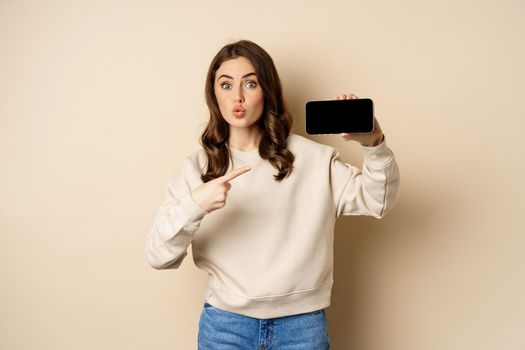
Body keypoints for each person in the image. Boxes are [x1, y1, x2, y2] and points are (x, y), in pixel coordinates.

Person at [145, 39, 400, 349]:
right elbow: (159, 256)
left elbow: (378, 200)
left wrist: (373, 144)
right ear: (213, 94)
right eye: (225, 85)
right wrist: (195, 204)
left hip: (302, 326)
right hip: (225, 326)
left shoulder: (314, 160)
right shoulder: (196, 169)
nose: (237, 96)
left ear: (267, 89)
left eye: (250, 83)